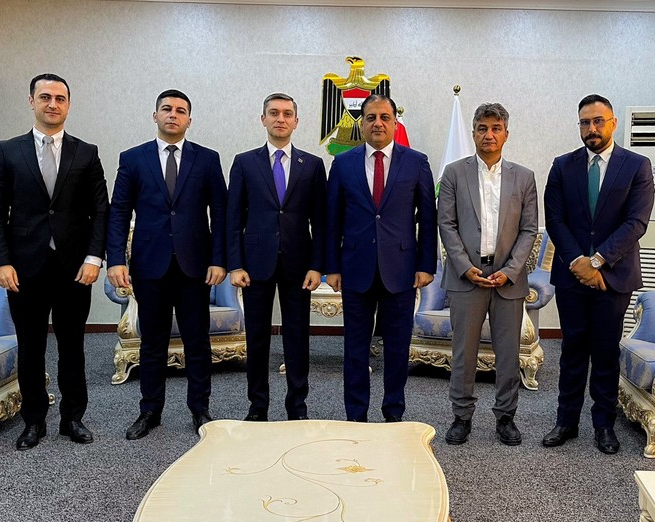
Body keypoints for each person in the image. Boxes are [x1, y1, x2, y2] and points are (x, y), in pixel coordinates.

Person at [0, 73, 109, 450]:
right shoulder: (8, 150)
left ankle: (72, 418)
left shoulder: (86, 152)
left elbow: (100, 210)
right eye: (45, 97)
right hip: (24, 268)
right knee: (31, 346)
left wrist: (94, 257)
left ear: (68, 105)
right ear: (32, 101)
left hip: (75, 268)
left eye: (60, 98)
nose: (52, 104)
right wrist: (1, 261)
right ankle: (33, 420)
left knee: (72, 346)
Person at [106, 89, 227, 439]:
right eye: (167, 109)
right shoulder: (133, 158)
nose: (173, 114)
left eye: (180, 110)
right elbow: (119, 212)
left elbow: (220, 213)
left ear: (189, 119)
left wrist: (219, 260)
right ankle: (150, 411)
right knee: (153, 342)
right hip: (149, 265)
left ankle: (200, 409)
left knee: (197, 341)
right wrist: (116, 259)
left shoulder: (207, 159)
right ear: (155, 115)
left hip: (194, 266)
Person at [542, 94, 655, 454]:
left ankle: (604, 425)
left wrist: (597, 262)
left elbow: (636, 222)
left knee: (606, 351)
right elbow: (555, 219)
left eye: (597, 121)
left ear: (612, 123)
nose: (591, 128)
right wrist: (579, 261)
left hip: (614, 276)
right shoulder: (562, 165)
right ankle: (566, 421)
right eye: (584, 122)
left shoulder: (637, 166)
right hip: (571, 275)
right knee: (572, 349)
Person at [325, 94, 437, 422]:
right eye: (371, 117)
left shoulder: (416, 162)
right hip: (355, 270)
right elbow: (332, 220)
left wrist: (426, 265)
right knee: (355, 349)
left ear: (394, 122)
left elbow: (427, 218)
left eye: (384, 117)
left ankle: (393, 414)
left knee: (397, 348)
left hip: (401, 271)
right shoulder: (343, 163)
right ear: (361, 124)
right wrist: (332, 267)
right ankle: (356, 416)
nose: (377, 123)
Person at [437, 103, 538, 446]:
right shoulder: (454, 173)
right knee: (463, 352)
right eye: (482, 128)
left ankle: (506, 417)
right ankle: (461, 416)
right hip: (467, 276)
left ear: (506, 134)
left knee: (508, 354)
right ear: (473, 133)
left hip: (508, 279)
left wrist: (510, 271)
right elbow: (446, 224)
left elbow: (529, 230)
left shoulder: (524, 177)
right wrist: (465, 267)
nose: (489, 134)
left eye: (496, 128)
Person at [226, 93, 327, 422]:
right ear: (263, 119)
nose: (280, 119)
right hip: (254, 265)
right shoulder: (244, 162)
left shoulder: (313, 165)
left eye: (286, 114)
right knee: (256, 338)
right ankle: (258, 407)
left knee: (297, 338)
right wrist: (235, 264)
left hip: (299, 265)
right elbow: (233, 218)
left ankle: (297, 407)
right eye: (273, 113)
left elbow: (321, 221)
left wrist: (317, 266)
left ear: (296, 121)